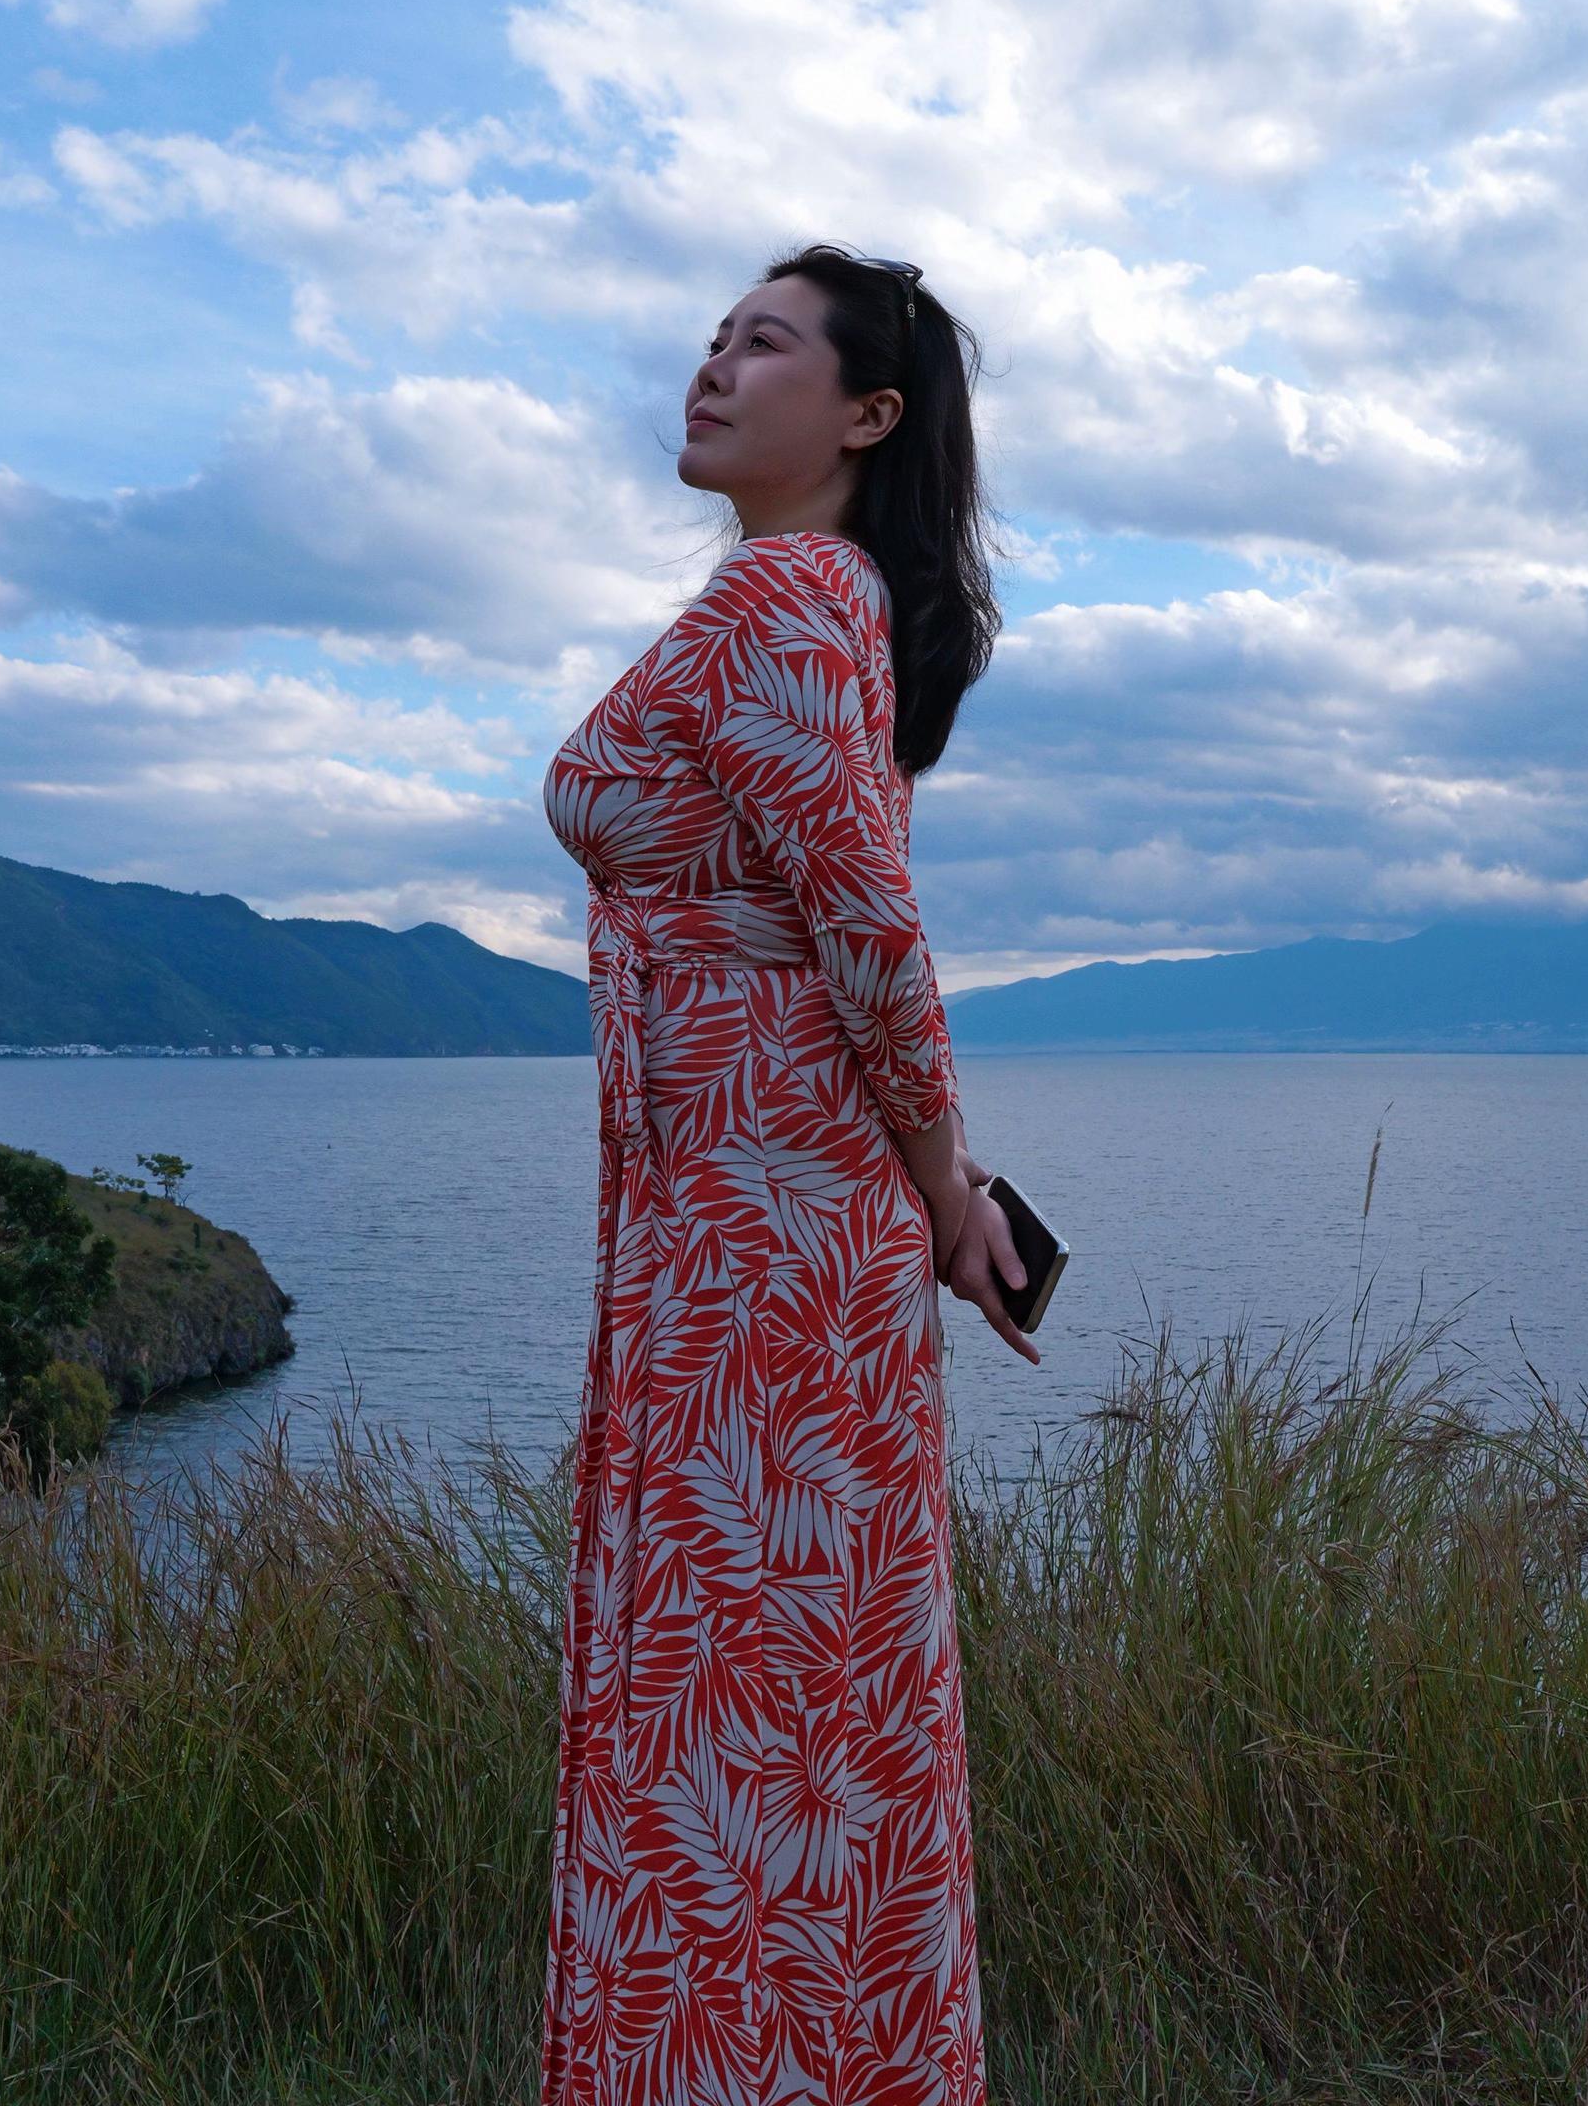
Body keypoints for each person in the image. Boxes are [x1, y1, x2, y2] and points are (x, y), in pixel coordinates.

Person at [537, 243, 1032, 2104]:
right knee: (775, 1693)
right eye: (712, 338)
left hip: (764, 1243)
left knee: (735, 1701)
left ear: (867, 414)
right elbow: (841, 923)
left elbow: (871, 930)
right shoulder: (794, 604)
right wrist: (934, 1191)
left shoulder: (796, 595)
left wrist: (948, 1189)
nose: (712, 366)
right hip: (740, 1223)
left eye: (761, 345)